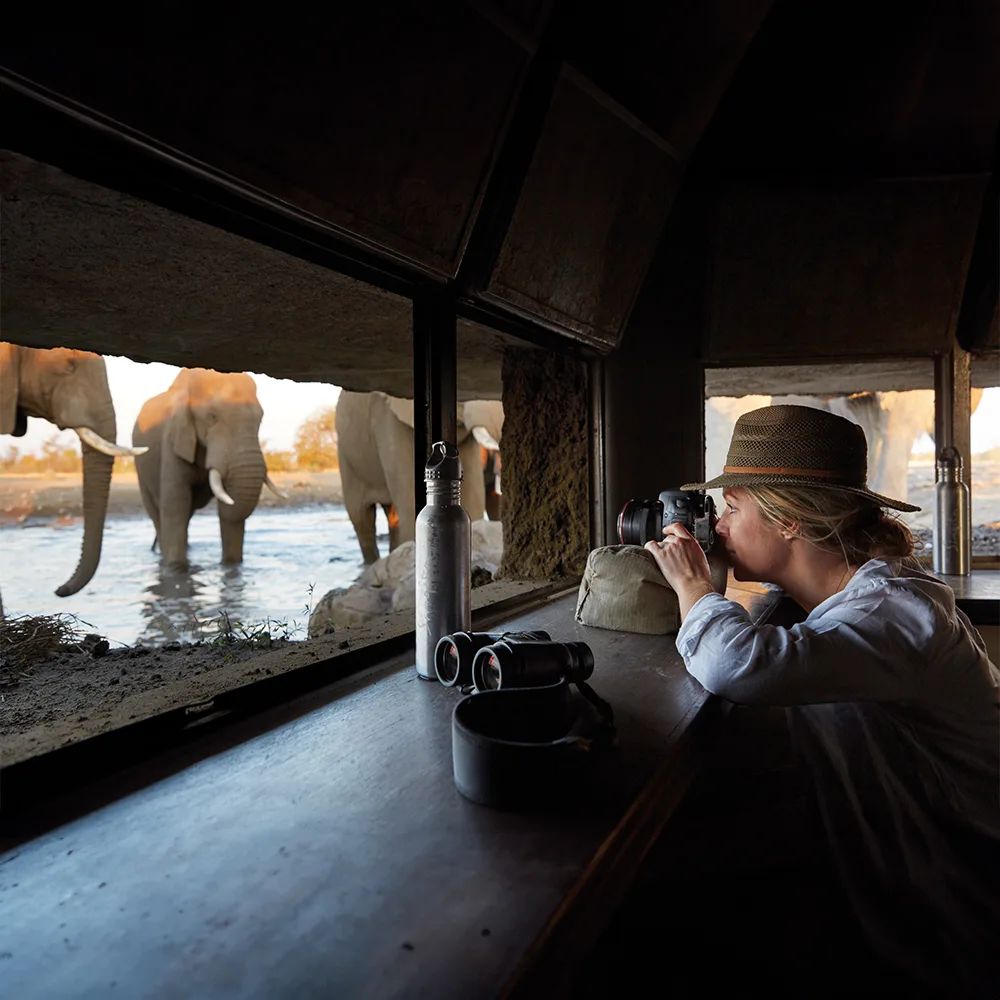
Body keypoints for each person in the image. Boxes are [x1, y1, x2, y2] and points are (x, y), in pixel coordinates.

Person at [644, 404, 1000, 998]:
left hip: (977, 887)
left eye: (731, 508)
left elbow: (737, 664)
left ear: (790, 522)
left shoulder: (893, 609)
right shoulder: (849, 601)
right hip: (933, 872)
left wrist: (693, 589)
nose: (719, 526)